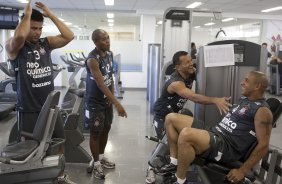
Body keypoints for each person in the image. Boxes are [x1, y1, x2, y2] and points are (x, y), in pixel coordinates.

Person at [159, 71, 273, 184]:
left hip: (226, 146)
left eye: (247, 81)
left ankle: (180, 180)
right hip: (216, 132)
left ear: (257, 86)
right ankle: (174, 163)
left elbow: (264, 145)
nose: (242, 83)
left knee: (186, 134)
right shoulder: (245, 99)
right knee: (171, 118)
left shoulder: (263, 111)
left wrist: (242, 171)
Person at [5, 1, 75, 184]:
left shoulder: (46, 43)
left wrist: (50, 14)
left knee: (59, 140)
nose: (37, 32)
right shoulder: (15, 48)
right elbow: (19, 37)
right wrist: (27, 12)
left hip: (50, 108)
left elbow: (69, 35)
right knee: (31, 149)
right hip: (29, 109)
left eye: (40, 28)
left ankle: (59, 176)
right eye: (33, 28)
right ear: (25, 25)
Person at [145, 51, 232, 184]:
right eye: (187, 63)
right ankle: (151, 167)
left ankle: (173, 173)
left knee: (179, 145)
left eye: (191, 60)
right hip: (162, 116)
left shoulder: (191, 73)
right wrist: (215, 100)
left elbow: (206, 74)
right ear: (178, 67)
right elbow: (193, 97)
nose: (191, 64)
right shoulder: (175, 82)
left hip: (176, 115)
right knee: (165, 145)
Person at [84, 29, 127, 180]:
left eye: (108, 38)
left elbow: (110, 78)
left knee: (106, 128)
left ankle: (101, 157)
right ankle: (96, 164)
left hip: (106, 100)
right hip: (95, 102)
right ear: (96, 42)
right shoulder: (92, 60)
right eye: (103, 39)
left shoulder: (109, 54)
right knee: (95, 132)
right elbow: (101, 84)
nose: (107, 41)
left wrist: (112, 96)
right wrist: (117, 103)